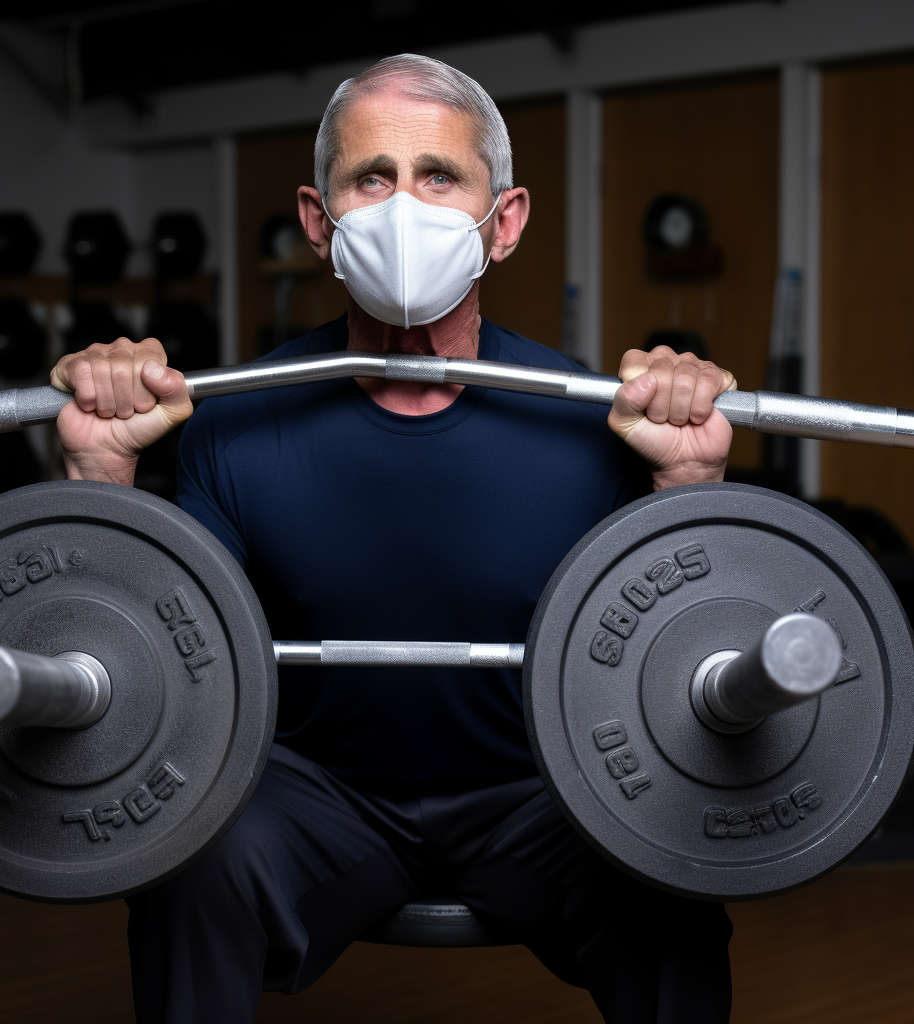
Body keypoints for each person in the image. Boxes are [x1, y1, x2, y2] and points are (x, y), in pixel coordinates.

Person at [51, 54, 737, 1024]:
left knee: (669, 864)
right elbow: (158, 671)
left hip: (537, 796)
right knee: (190, 857)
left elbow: (684, 674)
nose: (402, 207)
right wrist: (102, 471)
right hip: (320, 802)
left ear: (504, 223)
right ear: (316, 219)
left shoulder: (596, 422)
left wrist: (687, 479)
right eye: (371, 178)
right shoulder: (234, 422)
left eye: (438, 176)